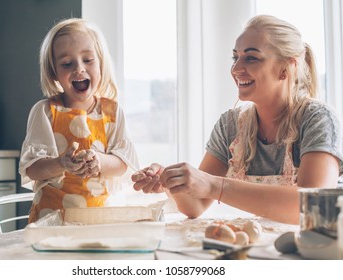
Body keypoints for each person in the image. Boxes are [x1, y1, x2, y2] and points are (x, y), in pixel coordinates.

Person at [132, 15, 343, 225]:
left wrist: (214, 185)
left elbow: (312, 207)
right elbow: (195, 206)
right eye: (235, 58)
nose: (236, 69)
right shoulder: (230, 125)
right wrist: (173, 182)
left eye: (251, 58)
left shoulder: (317, 119)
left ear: (286, 68)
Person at [19, 18, 139, 223]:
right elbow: (32, 169)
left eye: (88, 60)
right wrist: (61, 163)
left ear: (101, 63)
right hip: (51, 222)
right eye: (67, 63)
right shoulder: (45, 112)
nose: (79, 69)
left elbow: (123, 164)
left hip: (98, 221)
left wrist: (99, 161)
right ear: (54, 72)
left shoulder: (113, 112)